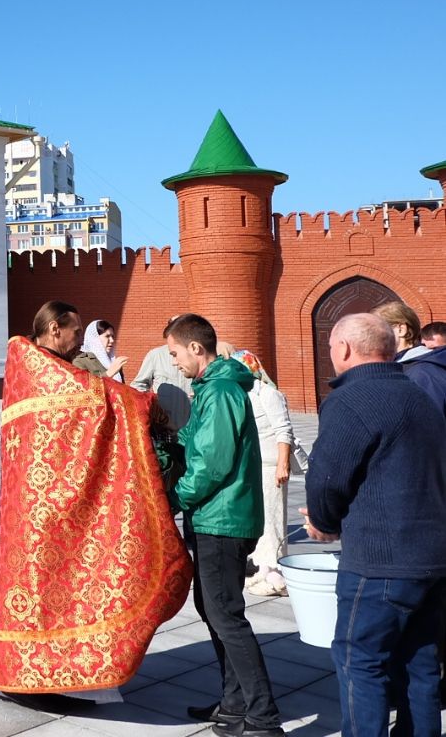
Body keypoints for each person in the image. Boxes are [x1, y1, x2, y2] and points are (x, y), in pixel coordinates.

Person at [0, 301, 191, 704]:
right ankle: (29, 680)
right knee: (44, 594)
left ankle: (33, 674)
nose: (80, 339)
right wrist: (147, 404)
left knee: (52, 594)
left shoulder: (36, 365)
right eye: (75, 330)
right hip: (45, 510)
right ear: (54, 328)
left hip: (35, 507)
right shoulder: (43, 367)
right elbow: (96, 398)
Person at [304, 312, 446, 737]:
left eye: (332, 346)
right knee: (420, 664)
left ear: (345, 348)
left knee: (360, 663)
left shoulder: (350, 399)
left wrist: (323, 522)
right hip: (432, 558)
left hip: (380, 562)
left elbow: (326, 479)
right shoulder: (419, 392)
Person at [165, 314, 282, 737]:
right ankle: (234, 707)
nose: (173, 361)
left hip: (222, 519)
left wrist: (174, 498)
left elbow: (211, 464)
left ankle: (263, 718)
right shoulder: (211, 389)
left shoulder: (220, 391)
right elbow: (195, 442)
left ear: (196, 348)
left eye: (175, 353)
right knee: (212, 610)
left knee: (226, 617)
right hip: (216, 517)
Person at [228, 349, 303, 598]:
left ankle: (276, 573)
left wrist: (283, 464)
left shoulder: (269, 393)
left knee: (272, 518)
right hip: (252, 465)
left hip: (271, 466)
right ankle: (264, 568)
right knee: (260, 519)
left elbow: (284, 430)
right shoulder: (244, 394)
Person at [132, 315, 194, 433]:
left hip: (191, 423)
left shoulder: (195, 354)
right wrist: (153, 404)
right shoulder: (156, 355)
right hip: (164, 425)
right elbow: (137, 386)